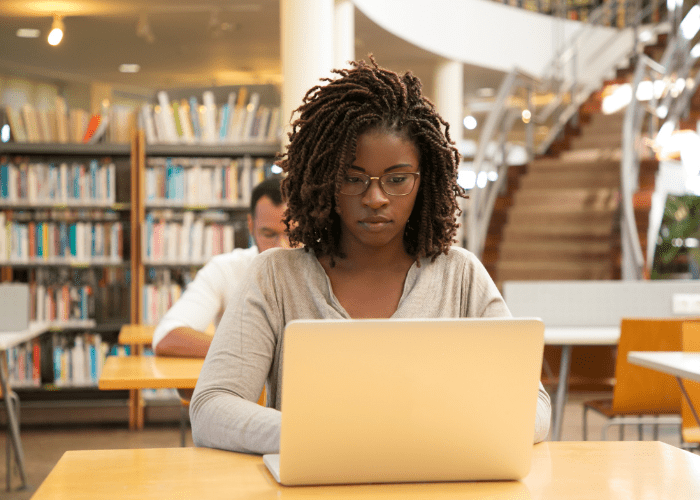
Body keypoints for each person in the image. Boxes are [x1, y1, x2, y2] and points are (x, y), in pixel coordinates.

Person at [190, 58, 551, 454]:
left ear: (424, 180)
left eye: (397, 179)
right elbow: (211, 409)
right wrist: (335, 437)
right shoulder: (276, 276)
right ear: (325, 178)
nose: (375, 198)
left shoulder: (460, 276)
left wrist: (440, 431)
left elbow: (533, 406)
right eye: (352, 178)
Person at [152, 175, 288, 358]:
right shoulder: (226, 269)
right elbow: (166, 338)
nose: (281, 246)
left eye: (292, 234)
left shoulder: (325, 269)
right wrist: (256, 354)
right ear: (251, 225)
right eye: (268, 234)